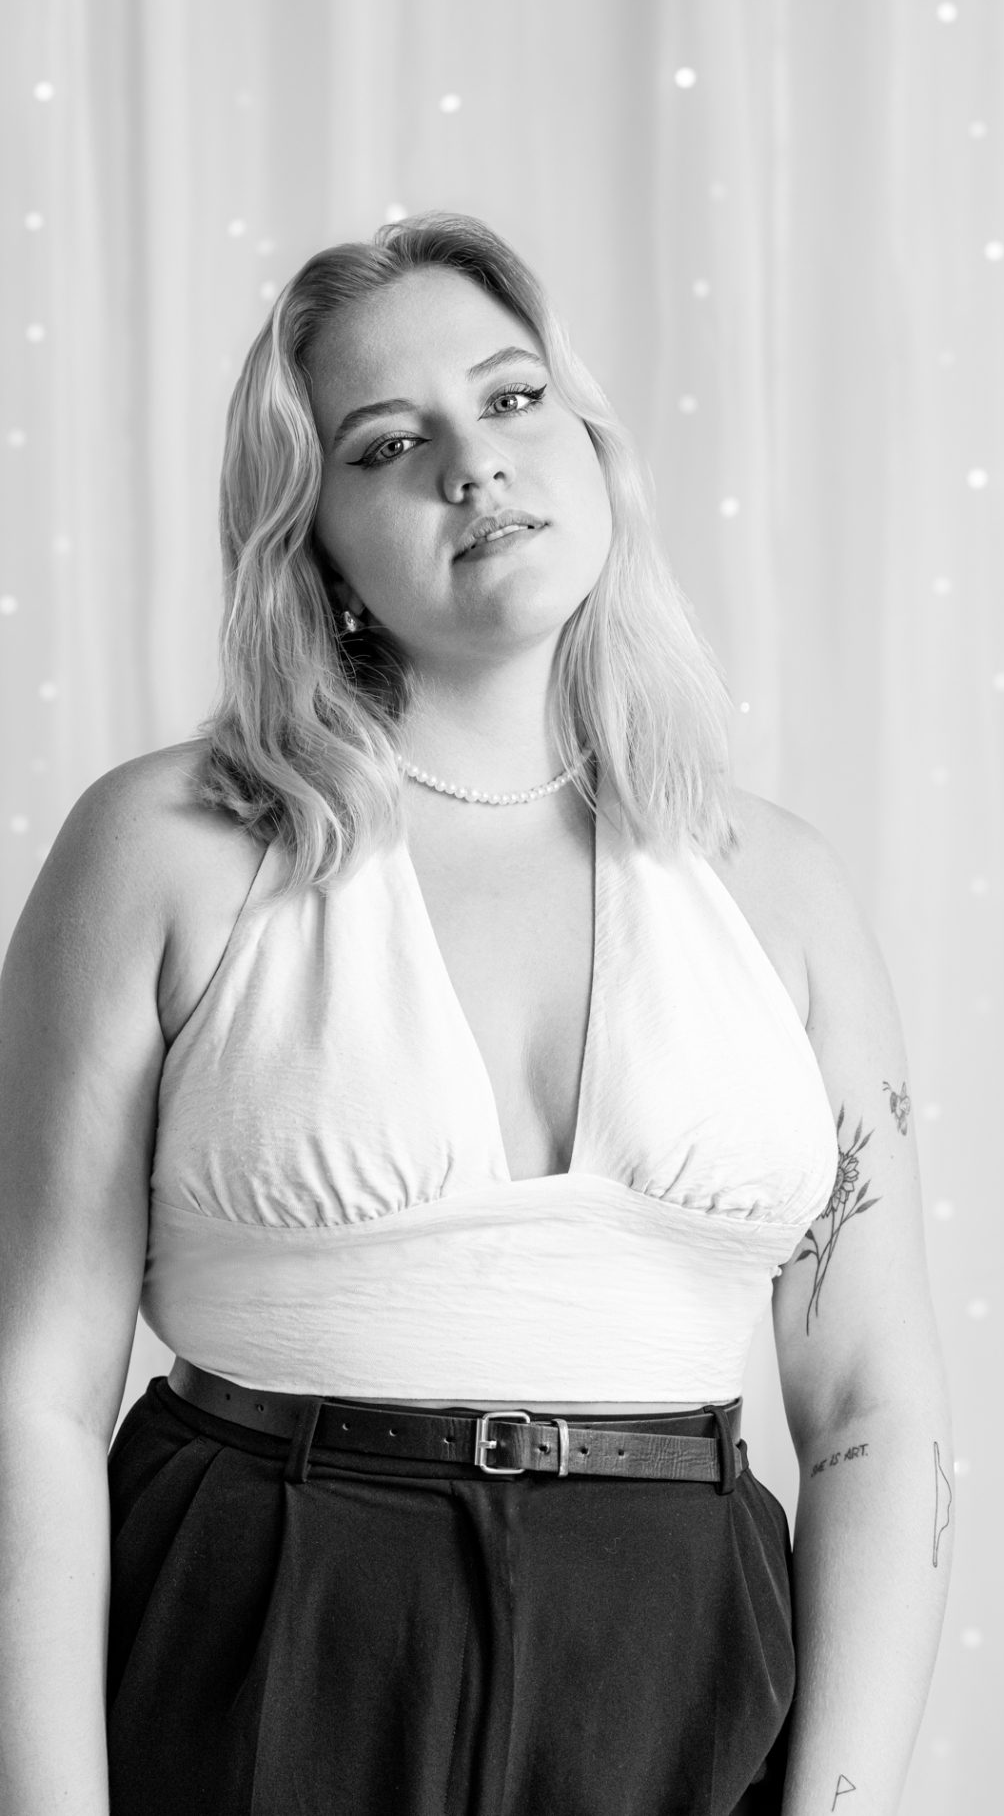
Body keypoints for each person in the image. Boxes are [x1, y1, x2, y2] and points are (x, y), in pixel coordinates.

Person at [0, 213, 952, 1816]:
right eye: (390, 443)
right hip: (263, 1628)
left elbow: (874, 1405)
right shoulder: (164, 848)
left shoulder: (779, 886)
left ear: (591, 443)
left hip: (681, 1661)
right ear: (311, 541)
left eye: (513, 399)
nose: (474, 463)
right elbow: (30, 1389)